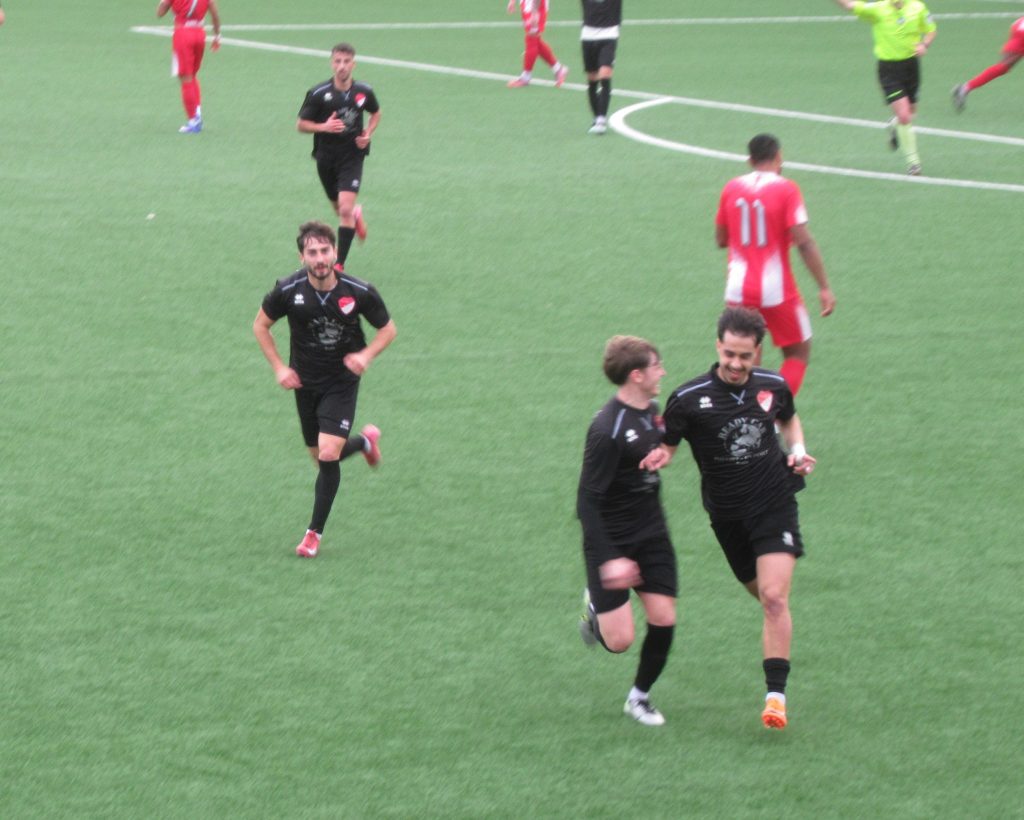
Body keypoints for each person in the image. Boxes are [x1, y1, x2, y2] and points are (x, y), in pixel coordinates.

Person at [640, 308, 817, 731]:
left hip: (774, 503)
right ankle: (778, 639)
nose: (736, 364)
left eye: (745, 356)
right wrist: (656, 458)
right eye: (729, 354)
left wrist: (796, 450)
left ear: (758, 352)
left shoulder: (773, 385)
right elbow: (669, 446)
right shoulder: (688, 398)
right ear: (718, 346)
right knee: (766, 598)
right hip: (727, 517)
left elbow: (788, 419)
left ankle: (775, 698)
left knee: (774, 598)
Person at [253, 221, 396, 558]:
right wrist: (280, 368)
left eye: (324, 251)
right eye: (312, 252)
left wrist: (365, 356)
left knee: (329, 453)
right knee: (321, 458)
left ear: (334, 253)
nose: (319, 259)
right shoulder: (288, 290)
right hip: (305, 383)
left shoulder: (358, 291)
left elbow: (388, 330)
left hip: (341, 381)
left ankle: (312, 534)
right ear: (302, 257)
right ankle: (364, 442)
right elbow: (260, 326)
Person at [577, 335, 678, 726]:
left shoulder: (653, 411)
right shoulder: (606, 429)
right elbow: (587, 503)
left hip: (652, 532)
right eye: (657, 366)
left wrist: (662, 455)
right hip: (612, 540)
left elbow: (655, 449)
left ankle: (639, 698)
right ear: (636, 375)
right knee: (619, 641)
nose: (662, 372)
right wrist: (610, 560)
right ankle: (594, 607)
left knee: (664, 618)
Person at [715, 134, 834, 396]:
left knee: (745, 360)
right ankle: (773, 412)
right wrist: (824, 287)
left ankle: (745, 414)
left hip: (737, 289)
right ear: (779, 156)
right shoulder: (787, 189)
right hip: (776, 289)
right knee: (798, 352)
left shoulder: (731, 187)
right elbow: (804, 242)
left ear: (750, 160)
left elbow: (721, 239)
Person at [297, 43, 381, 270]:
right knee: (340, 209)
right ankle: (355, 213)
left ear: (354, 64)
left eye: (346, 62)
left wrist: (367, 133)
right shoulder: (318, 93)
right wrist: (323, 127)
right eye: (338, 61)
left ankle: (339, 264)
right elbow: (301, 125)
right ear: (331, 63)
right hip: (326, 158)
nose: (342, 66)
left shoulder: (364, 91)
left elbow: (376, 113)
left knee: (343, 210)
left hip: (352, 156)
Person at [831, 0, 936, 175]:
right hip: (889, 70)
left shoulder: (918, 7)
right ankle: (913, 162)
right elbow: (850, 5)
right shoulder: (878, 9)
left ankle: (893, 125)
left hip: (911, 67)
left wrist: (924, 44)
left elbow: (931, 29)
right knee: (905, 116)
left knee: (911, 114)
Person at [156, 0, 221, 134]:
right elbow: (214, 14)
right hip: (199, 34)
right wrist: (217, 36)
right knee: (192, 76)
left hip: (183, 34)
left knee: (186, 78)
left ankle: (193, 121)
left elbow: (160, 12)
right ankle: (197, 114)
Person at [952, 17, 1024, 111]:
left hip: (1019, 26)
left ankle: (964, 88)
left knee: (1003, 67)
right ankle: (964, 88)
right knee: (1003, 66)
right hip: (1021, 32)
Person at [580, 0, 622, 135]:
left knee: (605, 74)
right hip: (588, 36)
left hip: (609, 34)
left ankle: (601, 120)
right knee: (592, 79)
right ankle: (596, 117)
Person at [506, 0, 570, 88]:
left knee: (532, 37)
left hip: (536, 4)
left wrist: (535, 12)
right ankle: (559, 69)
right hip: (527, 3)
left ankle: (525, 77)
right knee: (535, 40)